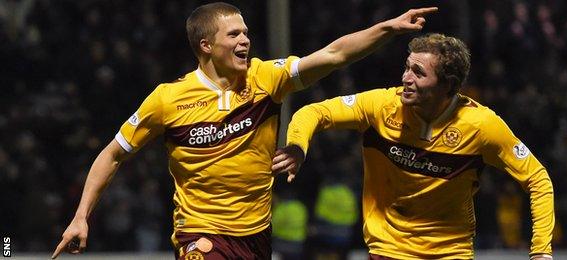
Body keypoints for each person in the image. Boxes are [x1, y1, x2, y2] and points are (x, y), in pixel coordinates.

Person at [51, 2, 438, 259]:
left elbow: (334, 55)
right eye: (234, 34)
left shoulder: (266, 78)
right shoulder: (168, 99)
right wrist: (82, 215)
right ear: (206, 45)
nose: (245, 40)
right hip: (200, 234)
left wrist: (387, 28)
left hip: (256, 236)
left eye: (246, 32)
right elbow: (113, 153)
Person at [272, 33, 555, 259]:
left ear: (448, 86)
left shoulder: (481, 125)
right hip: (389, 250)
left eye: (418, 72)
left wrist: (541, 250)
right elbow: (314, 112)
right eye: (407, 68)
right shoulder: (382, 106)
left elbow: (537, 179)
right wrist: (297, 145)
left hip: (450, 252)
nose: (406, 78)